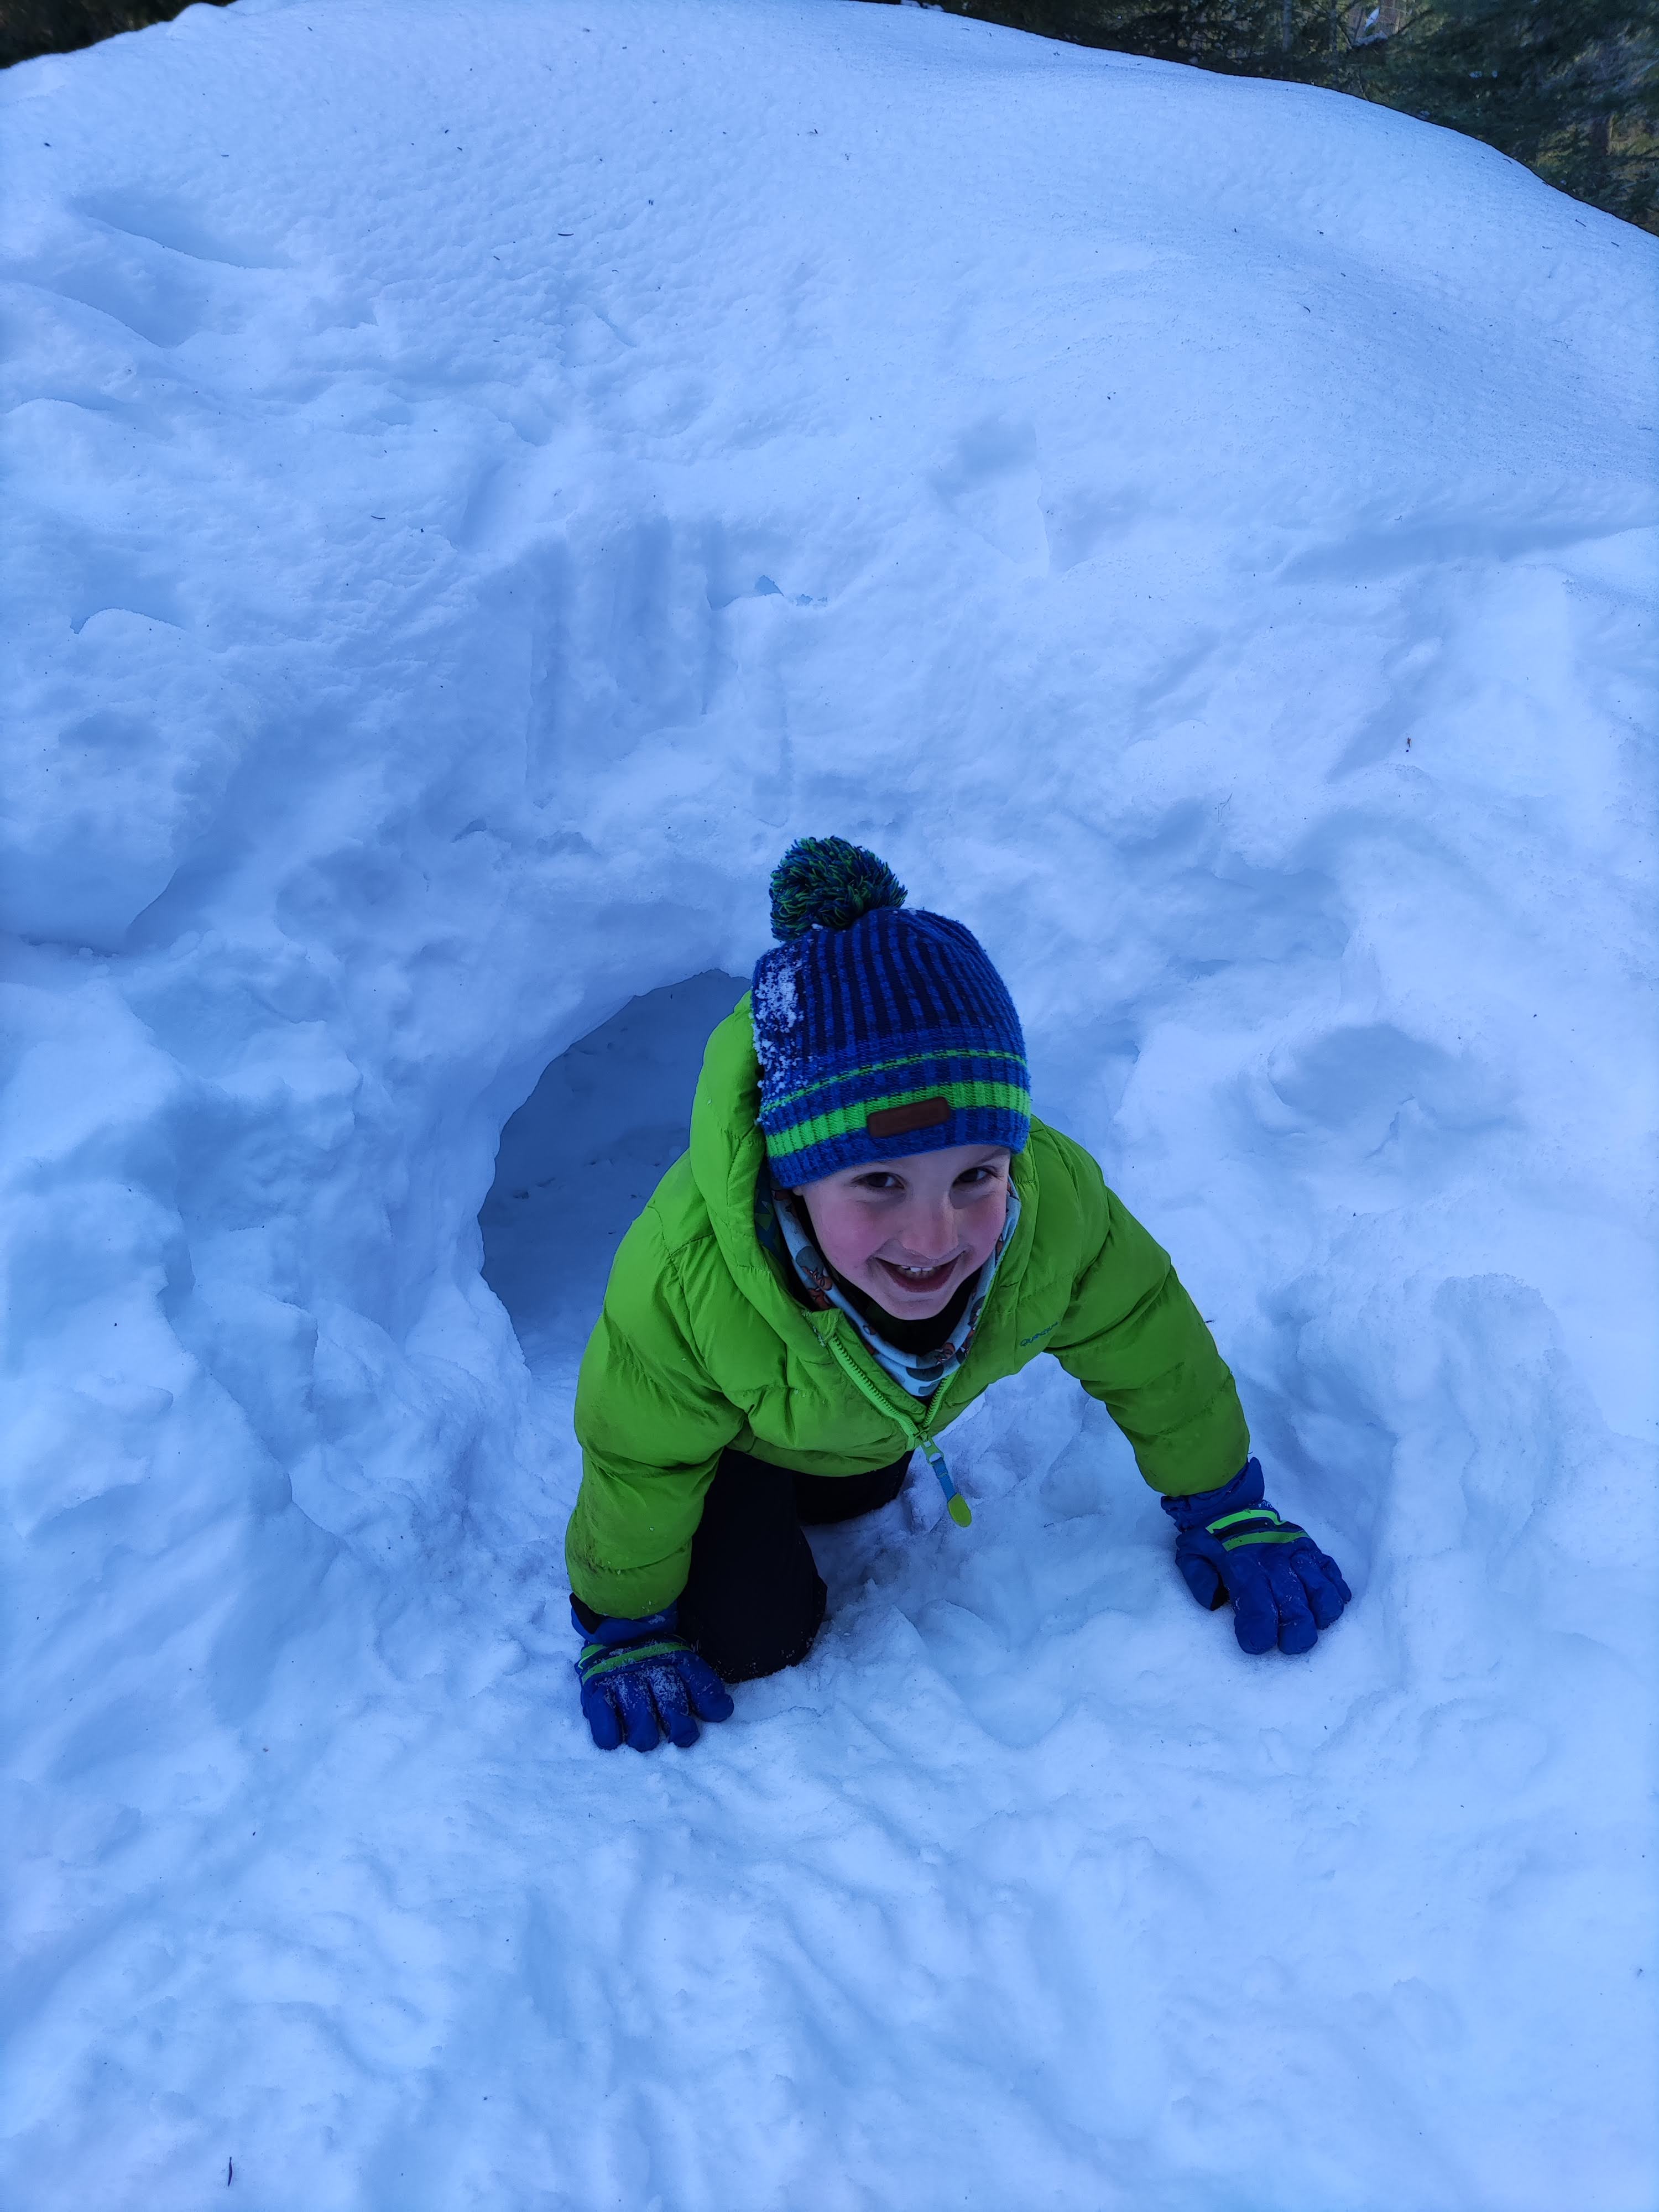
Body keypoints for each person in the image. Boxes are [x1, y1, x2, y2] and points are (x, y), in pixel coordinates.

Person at [565, 837, 1350, 1752]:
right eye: (879, 1183)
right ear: (792, 1177)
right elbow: (638, 1453)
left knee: (854, 1492)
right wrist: (625, 1617)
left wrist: (1222, 1498)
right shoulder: (688, 1277)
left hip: (860, 1412)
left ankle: (845, 1454)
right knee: (751, 1636)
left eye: (976, 1174)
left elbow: (1148, 1338)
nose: (935, 1239)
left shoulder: (1053, 1211)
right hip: (736, 1437)